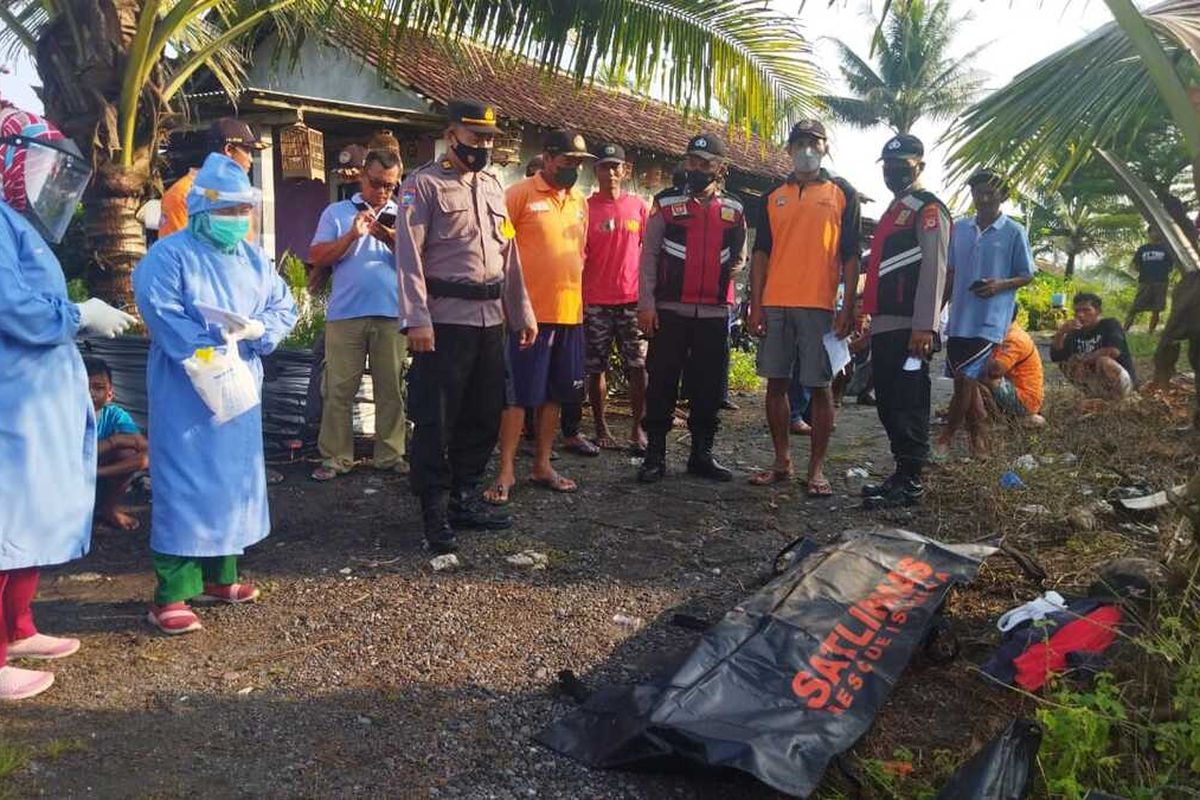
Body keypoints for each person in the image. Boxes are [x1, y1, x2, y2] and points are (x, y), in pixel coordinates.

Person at [0, 104, 136, 700]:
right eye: (42, 164)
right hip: (12, 398)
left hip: (34, 394)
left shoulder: (16, 224)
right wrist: (79, 314)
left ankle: (18, 627)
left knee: (27, 517)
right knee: (4, 521)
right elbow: (14, 308)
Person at [133, 153, 297, 635]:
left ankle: (220, 577)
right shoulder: (168, 256)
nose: (236, 221)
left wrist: (257, 329)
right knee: (185, 484)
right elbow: (161, 313)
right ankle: (171, 593)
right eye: (226, 212)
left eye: (242, 211)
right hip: (188, 386)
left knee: (233, 481)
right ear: (202, 211)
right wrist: (211, 346)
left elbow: (282, 305)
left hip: (240, 385)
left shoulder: (251, 258)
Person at [397, 99, 537, 553]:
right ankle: (433, 512)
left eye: (490, 138)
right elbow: (408, 259)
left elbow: (508, 259)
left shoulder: (496, 186)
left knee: (482, 414)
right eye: (476, 137)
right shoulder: (423, 186)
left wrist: (523, 311)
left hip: (490, 320)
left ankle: (462, 497)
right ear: (452, 134)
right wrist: (417, 319)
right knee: (437, 420)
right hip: (444, 322)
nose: (484, 145)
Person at [747, 119, 861, 496]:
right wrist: (756, 304)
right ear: (789, 148)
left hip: (820, 306)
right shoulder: (772, 195)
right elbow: (761, 252)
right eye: (799, 142)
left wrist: (847, 307)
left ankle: (816, 471)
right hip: (776, 302)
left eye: (814, 142)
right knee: (775, 384)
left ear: (826, 147)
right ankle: (781, 462)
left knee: (821, 388)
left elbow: (850, 255)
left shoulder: (842, 192)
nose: (806, 149)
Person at [487, 129, 592, 501]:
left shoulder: (581, 201)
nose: (573, 168)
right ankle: (505, 472)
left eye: (578, 163)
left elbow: (579, 254)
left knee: (554, 395)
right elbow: (498, 252)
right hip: (526, 317)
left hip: (569, 314)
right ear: (547, 158)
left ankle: (542, 464)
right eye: (568, 161)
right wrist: (507, 307)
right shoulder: (518, 195)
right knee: (516, 395)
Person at [637, 132, 747, 483]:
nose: (697, 169)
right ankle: (654, 456)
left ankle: (701, 454)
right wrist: (646, 305)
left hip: (714, 313)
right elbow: (649, 257)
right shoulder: (665, 203)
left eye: (705, 164)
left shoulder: (735, 209)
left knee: (709, 387)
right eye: (692, 162)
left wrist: (738, 265)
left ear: (721, 168)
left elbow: (740, 254)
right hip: (670, 310)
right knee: (662, 384)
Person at [860, 133, 951, 509]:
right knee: (888, 402)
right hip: (886, 323)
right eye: (890, 166)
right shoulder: (893, 211)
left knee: (909, 402)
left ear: (920, 166)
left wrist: (924, 325)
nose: (894, 172)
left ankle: (912, 479)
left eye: (903, 166)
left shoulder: (927, 209)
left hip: (910, 327)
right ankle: (901, 471)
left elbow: (935, 267)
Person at [309, 149, 409, 481]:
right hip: (346, 314)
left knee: (391, 388)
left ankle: (391, 455)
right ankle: (336, 458)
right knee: (338, 388)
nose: (383, 191)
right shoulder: (337, 212)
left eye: (391, 186)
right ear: (362, 177)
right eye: (377, 183)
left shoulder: (405, 212)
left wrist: (392, 239)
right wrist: (352, 235)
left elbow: (421, 262)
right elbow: (319, 256)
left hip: (392, 313)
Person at [936, 169, 1034, 460]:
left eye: (991, 191)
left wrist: (1000, 285)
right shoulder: (961, 229)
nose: (984, 197)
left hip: (991, 319)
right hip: (959, 318)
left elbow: (1026, 274)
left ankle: (946, 437)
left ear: (1003, 196)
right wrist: (937, 311)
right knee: (966, 382)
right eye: (979, 191)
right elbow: (951, 274)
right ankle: (980, 441)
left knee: (966, 379)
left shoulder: (1014, 231)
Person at [583, 142, 650, 453]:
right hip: (595, 301)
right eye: (604, 166)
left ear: (626, 170)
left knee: (637, 366)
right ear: (595, 170)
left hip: (631, 301)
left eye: (615, 166)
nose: (610, 172)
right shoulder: (584, 208)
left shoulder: (638, 206)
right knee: (595, 368)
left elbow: (651, 254)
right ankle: (600, 426)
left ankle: (639, 427)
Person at [159, 118, 269, 238]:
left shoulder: (239, 197)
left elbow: (247, 245)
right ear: (229, 150)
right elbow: (175, 250)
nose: (251, 159)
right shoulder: (184, 193)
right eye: (247, 151)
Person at [85, 357, 149, 531]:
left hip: (94, 474)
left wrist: (117, 442)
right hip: (65, 474)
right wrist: (114, 441)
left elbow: (143, 447)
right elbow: (74, 454)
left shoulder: (114, 414)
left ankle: (108, 508)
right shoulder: (65, 413)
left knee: (136, 457)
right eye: (84, 387)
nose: (91, 393)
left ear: (110, 394)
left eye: (98, 388)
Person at [1050, 292, 1136, 400]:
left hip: (1122, 383)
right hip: (1096, 385)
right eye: (1077, 311)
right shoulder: (1074, 333)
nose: (1080, 315)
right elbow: (1057, 357)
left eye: (1086, 310)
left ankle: (1119, 399)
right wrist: (1061, 333)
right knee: (1067, 365)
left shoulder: (1110, 324)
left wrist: (1084, 359)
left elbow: (1114, 351)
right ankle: (1094, 397)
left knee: (1103, 362)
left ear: (1098, 312)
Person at [984, 311, 1045, 425]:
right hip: (1018, 390)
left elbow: (995, 371)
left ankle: (1001, 421)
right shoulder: (1006, 332)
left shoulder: (1013, 338)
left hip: (1025, 399)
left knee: (981, 376)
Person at [1125, 230, 1173, 333]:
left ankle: (1151, 332)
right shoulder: (1143, 249)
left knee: (1157, 309)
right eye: (1154, 231)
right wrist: (1140, 272)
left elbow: (1170, 265)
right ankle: (1124, 330)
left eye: (1158, 231)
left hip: (1160, 282)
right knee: (1134, 308)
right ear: (1149, 233)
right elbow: (1135, 264)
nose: (1156, 233)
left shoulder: (1166, 249)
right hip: (1145, 282)